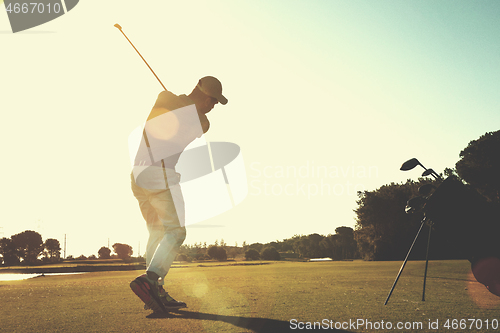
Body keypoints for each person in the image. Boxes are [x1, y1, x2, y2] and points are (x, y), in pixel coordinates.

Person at [129, 76, 228, 313]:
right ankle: (150, 280)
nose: (213, 107)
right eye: (213, 101)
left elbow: (195, 121)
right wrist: (181, 104)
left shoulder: (199, 121)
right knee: (176, 231)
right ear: (205, 97)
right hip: (160, 173)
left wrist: (181, 104)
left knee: (157, 232)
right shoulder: (175, 104)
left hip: (138, 175)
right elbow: (170, 104)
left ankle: (155, 293)